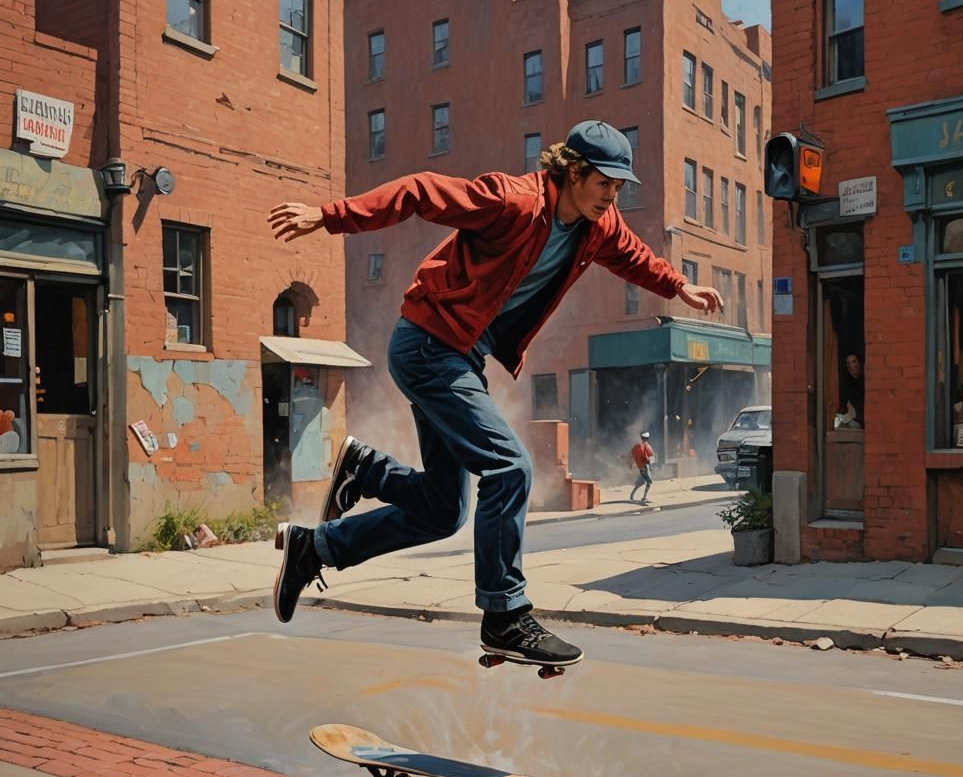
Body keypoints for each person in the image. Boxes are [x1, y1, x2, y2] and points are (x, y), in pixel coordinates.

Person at [267, 121, 724, 668]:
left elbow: (631, 254)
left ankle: (321, 537)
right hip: (426, 346)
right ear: (573, 171)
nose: (612, 196)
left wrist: (679, 287)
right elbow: (418, 190)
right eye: (605, 183)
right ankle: (505, 614)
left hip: (459, 357)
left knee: (443, 511)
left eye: (620, 187)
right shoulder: (513, 201)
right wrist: (330, 215)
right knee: (511, 468)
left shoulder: (598, 226)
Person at [837, 352, 864, 429]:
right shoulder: (847, 384)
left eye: (854, 361)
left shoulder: (865, 380)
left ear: (860, 363)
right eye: (848, 364)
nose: (851, 366)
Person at [629, 432, 655, 503]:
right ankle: (644, 497)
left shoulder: (638, 446)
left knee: (642, 482)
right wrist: (651, 467)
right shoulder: (647, 446)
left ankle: (632, 495)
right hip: (646, 467)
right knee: (649, 482)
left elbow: (632, 455)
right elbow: (650, 457)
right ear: (648, 438)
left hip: (641, 467)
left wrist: (631, 464)